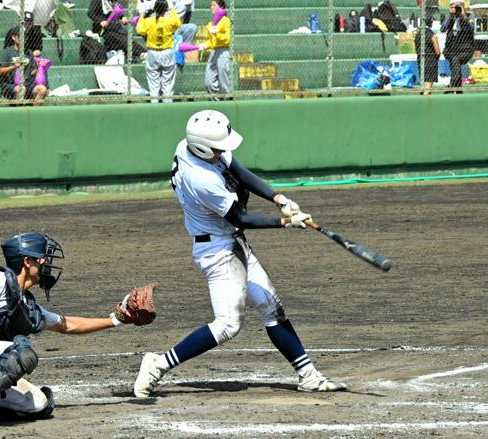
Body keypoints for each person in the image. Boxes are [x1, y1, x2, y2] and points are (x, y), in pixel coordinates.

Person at [133, 110, 347, 398]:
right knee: (227, 325)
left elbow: (239, 172)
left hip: (230, 240)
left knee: (272, 307)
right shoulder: (201, 179)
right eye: (220, 148)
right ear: (204, 148)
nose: (224, 151)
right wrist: (287, 222)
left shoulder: (193, 146)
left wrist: (278, 198)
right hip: (217, 251)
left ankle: (307, 375)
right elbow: (240, 219)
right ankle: (158, 364)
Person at [0, 231, 141, 429]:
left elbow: (67, 324)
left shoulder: (27, 306)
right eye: (41, 257)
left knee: (39, 404)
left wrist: (116, 320)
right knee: (21, 351)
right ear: (27, 262)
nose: (46, 262)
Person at [136, 0, 180, 102]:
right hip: (167, 52)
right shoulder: (169, 21)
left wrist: (142, 15)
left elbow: (140, 29)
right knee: (168, 82)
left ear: (155, 9)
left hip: (153, 52)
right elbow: (177, 22)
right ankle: (167, 105)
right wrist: (171, 9)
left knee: (153, 83)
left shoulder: (149, 21)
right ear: (165, 9)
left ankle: (154, 104)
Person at [0, 26, 47, 103]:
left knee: (42, 89)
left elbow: (31, 72)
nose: (23, 38)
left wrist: (39, 66)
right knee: (21, 89)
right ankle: (20, 113)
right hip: (10, 84)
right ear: (13, 37)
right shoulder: (6, 52)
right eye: (20, 35)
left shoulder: (28, 52)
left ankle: (35, 112)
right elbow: (1, 71)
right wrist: (14, 66)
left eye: (25, 36)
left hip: (27, 83)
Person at [440, 1, 474, 91]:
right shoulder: (450, 17)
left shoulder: (469, 16)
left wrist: (463, 16)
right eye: (452, 6)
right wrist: (450, 15)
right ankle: (458, 88)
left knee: (456, 60)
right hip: (452, 48)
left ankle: (453, 85)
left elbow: (471, 29)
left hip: (465, 49)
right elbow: (442, 29)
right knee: (454, 65)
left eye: (457, 6)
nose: (455, 9)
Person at [200, 0, 230, 100]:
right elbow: (212, 42)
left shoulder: (226, 21)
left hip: (223, 51)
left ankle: (226, 100)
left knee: (223, 78)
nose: (211, 7)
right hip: (214, 51)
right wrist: (204, 45)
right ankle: (215, 102)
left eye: (213, 5)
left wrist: (217, 33)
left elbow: (227, 38)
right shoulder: (210, 24)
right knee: (208, 81)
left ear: (220, 8)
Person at [414, 15, 440, 95]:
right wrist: (436, 58)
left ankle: (424, 96)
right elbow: (438, 51)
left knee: (424, 81)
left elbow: (416, 49)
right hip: (431, 60)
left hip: (420, 60)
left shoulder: (417, 34)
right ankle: (425, 101)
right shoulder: (432, 35)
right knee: (428, 84)